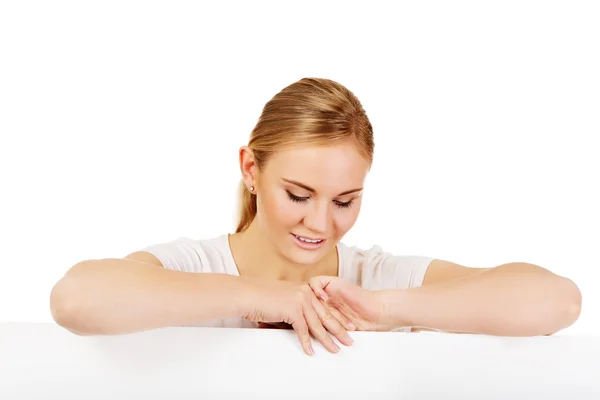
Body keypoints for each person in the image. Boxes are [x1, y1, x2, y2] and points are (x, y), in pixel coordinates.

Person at [49, 77, 582, 356]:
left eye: (345, 201)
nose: (321, 225)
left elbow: (558, 301)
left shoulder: (373, 279)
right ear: (251, 169)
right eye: (299, 195)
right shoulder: (196, 264)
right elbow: (76, 300)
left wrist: (383, 310)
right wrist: (264, 297)